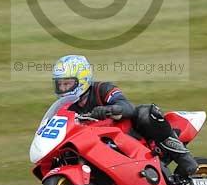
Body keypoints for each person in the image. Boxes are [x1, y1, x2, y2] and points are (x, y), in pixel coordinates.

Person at [52, 54, 198, 177]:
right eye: (60, 85)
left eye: (67, 84)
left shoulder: (102, 89)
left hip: (128, 137)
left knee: (145, 113)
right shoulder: (67, 107)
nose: (63, 88)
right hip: (99, 149)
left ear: (82, 80)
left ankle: (183, 157)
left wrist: (108, 110)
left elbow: (128, 107)